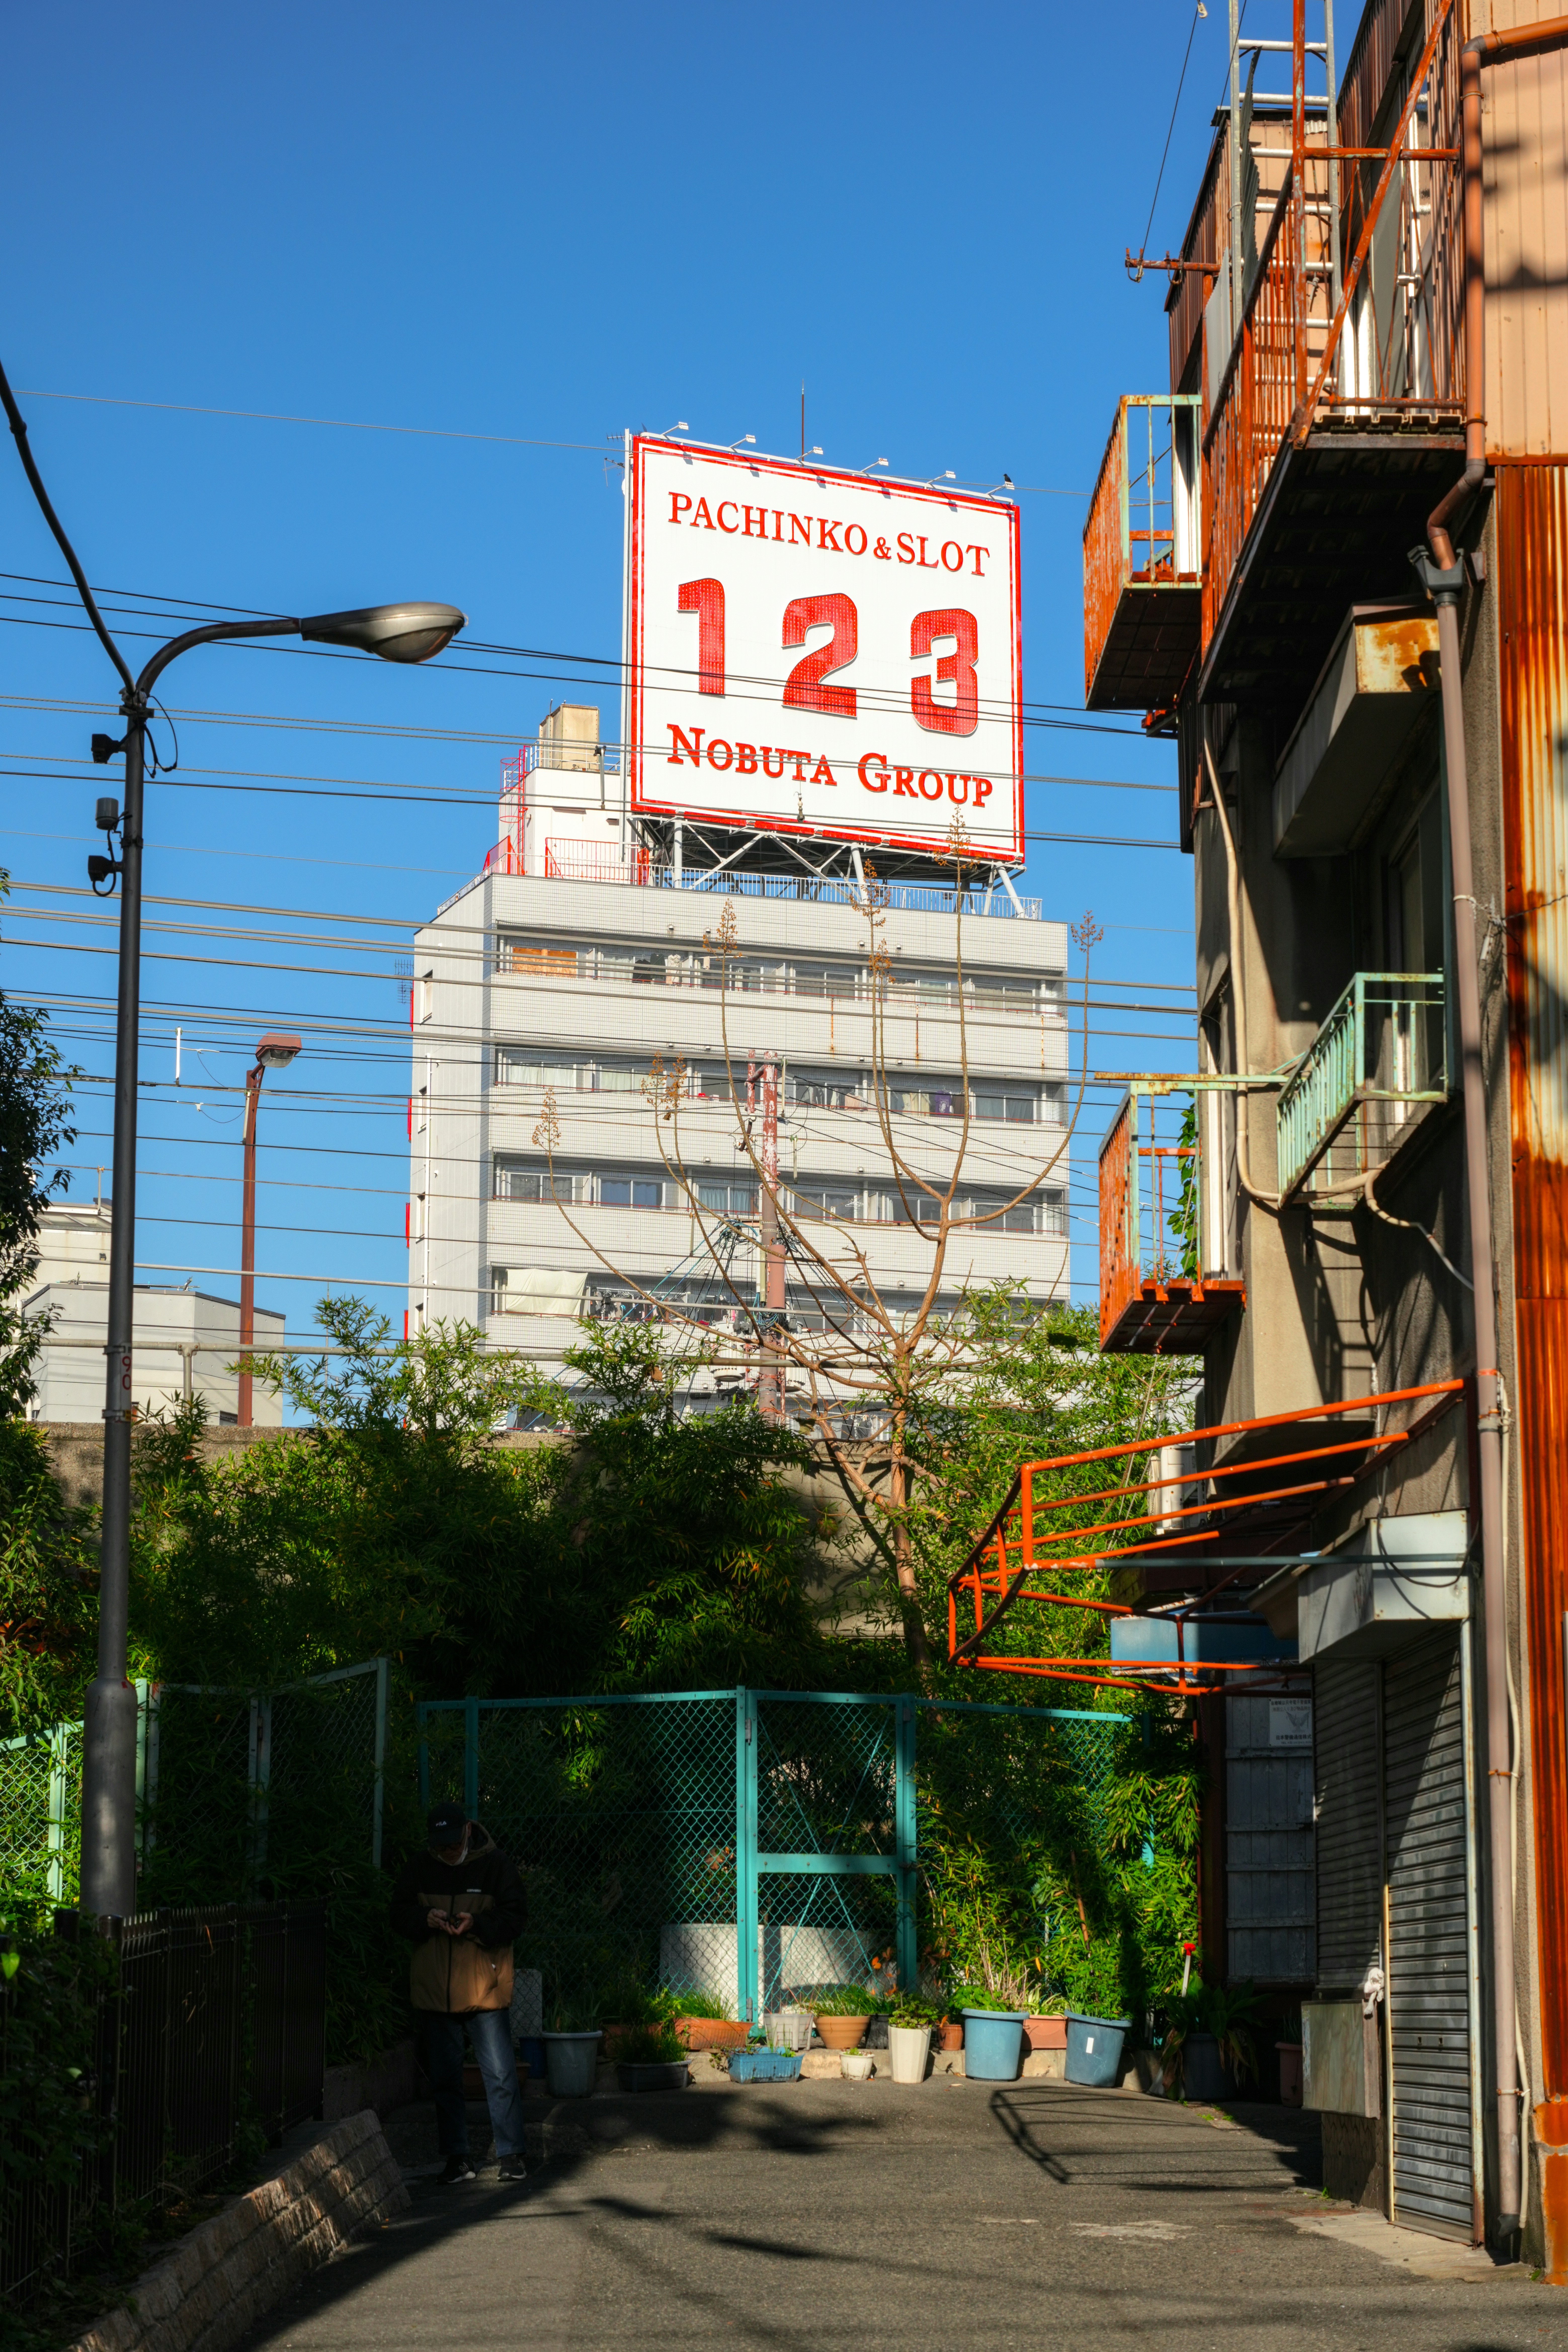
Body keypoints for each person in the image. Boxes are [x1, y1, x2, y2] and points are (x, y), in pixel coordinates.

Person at [391, 1799, 529, 2185]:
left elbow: (517, 1917)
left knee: (500, 2074)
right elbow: (398, 1916)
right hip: (436, 1991)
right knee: (444, 2078)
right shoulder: (420, 1867)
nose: (447, 1852)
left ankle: (512, 2155)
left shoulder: (496, 1865)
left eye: (452, 1844)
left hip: (485, 1987)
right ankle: (457, 2158)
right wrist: (425, 1918)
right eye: (440, 1846)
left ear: (468, 1831)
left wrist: (478, 1924)